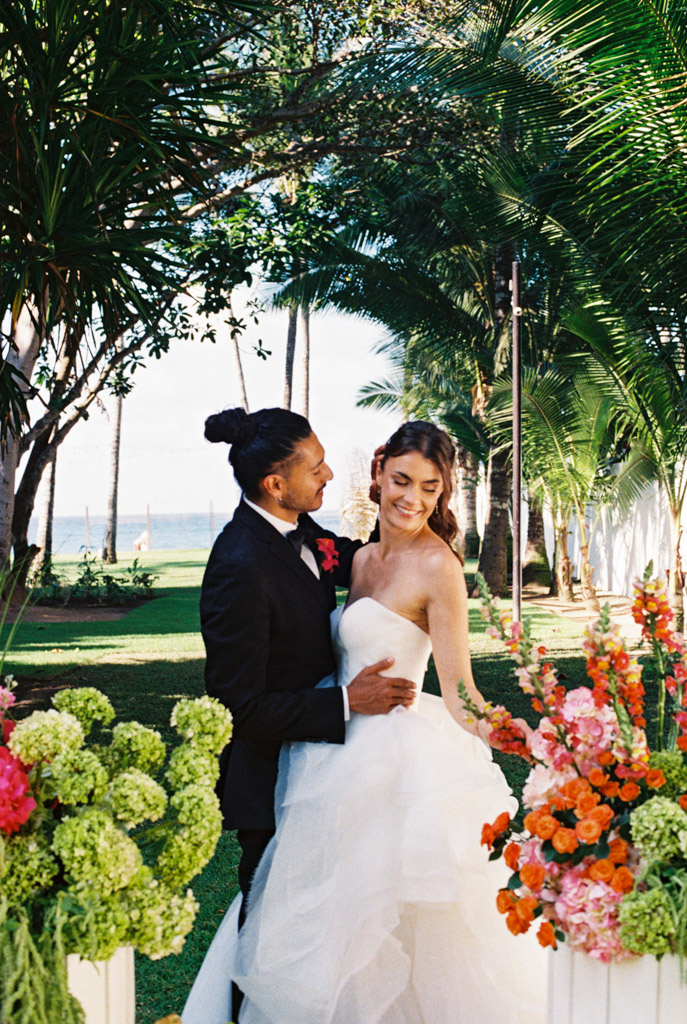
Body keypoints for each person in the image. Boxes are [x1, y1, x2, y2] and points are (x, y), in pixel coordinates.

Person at [185, 419, 546, 1024]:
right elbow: (238, 699)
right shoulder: (317, 558)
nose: (414, 498)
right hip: (314, 761)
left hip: (399, 767)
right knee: (302, 926)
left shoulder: (429, 566)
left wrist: (537, 741)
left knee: (403, 924)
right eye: (402, 480)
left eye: (431, 487)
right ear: (378, 473)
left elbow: (462, 694)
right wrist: (348, 702)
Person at [197, 406, 417, 1021]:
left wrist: (394, 495)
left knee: (327, 938)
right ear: (275, 483)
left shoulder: (300, 528)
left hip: (327, 776)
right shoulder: (238, 566)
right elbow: (239, 706)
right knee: (270, 943)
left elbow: (366, 560)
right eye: (316, 466)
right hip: (269, 785)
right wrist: (348, 702)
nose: (326, 475)